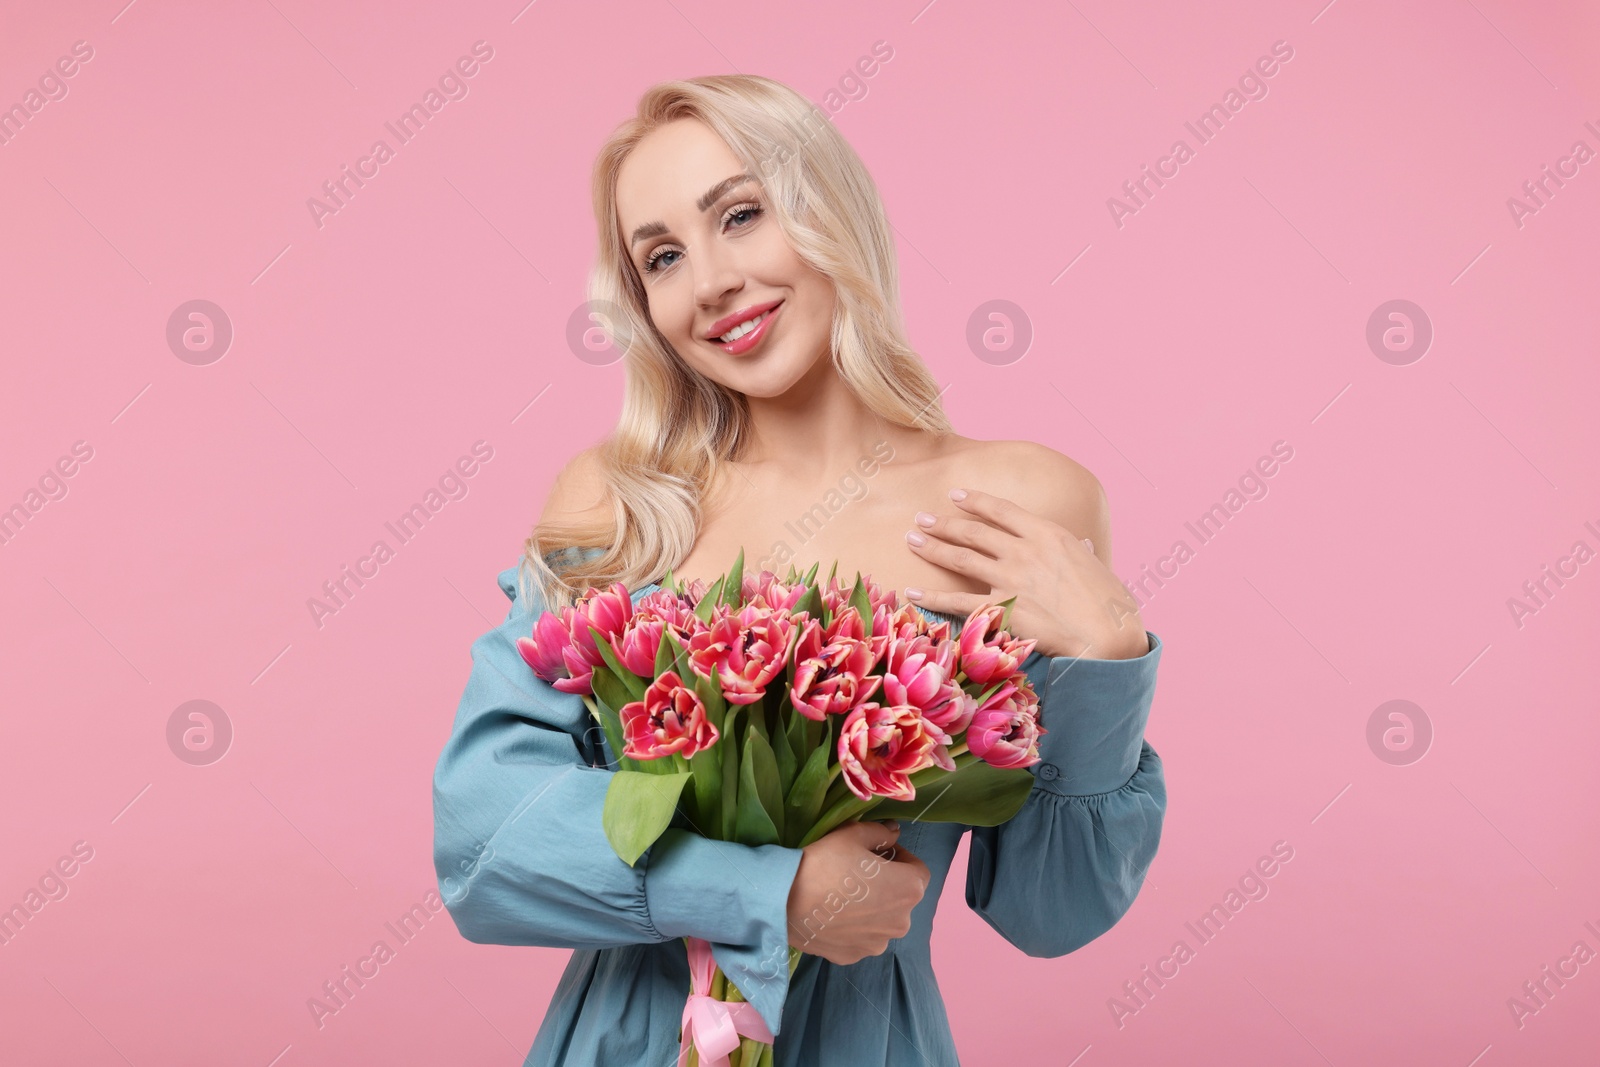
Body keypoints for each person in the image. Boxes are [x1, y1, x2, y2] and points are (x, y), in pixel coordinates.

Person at [431, 73, 1165, 1066]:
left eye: (740, 215)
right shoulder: (618, 502)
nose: (711, 283)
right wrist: (768, 894)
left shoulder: (1019, 499)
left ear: (829, 208)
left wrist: (1109, 661)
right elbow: (484, 843)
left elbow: (1049, 911)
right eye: (662, 257)